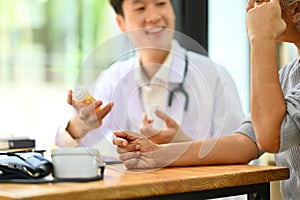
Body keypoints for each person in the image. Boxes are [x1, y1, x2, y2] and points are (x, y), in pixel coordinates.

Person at [113, 0, 300, 198]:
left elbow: (272, 137)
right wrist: (157, 154)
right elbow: (245, 143)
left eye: (260, 1)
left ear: (296, 9)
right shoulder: (287, 75)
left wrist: (260, 38)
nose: (250, 9)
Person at [55, 0, 244, 159]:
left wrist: (184, 146)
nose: (154, 16)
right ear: (121, 23)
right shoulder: (112, 79)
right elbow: (67, 153)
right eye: (140, 8)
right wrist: (79, 126)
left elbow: (239, 153)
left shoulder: (214, 76)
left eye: (161, 3)